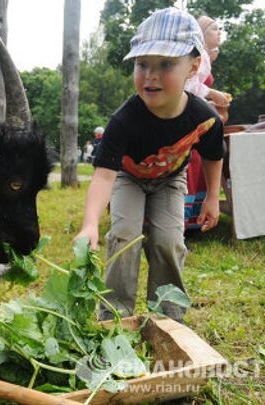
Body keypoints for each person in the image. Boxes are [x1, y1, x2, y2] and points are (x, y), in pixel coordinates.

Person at [74, 8, 224, 323]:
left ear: (193, 67)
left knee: (169, 240)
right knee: (124, 235)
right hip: (129, 178)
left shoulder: (204, 117)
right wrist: (90, 224)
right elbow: (103, 177)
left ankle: (169, 316)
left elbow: (213, 155)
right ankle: (114, 315)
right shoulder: (124, 120)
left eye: (166, 64)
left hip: (170, 180)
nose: (151, 75)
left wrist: (212, 197)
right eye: (143, 64)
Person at [184, 15, 230, 231]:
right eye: (213, 28)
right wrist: (213, 94)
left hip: (193, 116)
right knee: (191, 165)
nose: (219, 32)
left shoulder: (204, 56)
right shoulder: (197, 55)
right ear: (201, 33)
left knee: (199, 164)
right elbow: (187, 85)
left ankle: (193, 221)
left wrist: (209, 103)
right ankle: (182, 225)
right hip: (185, 120)